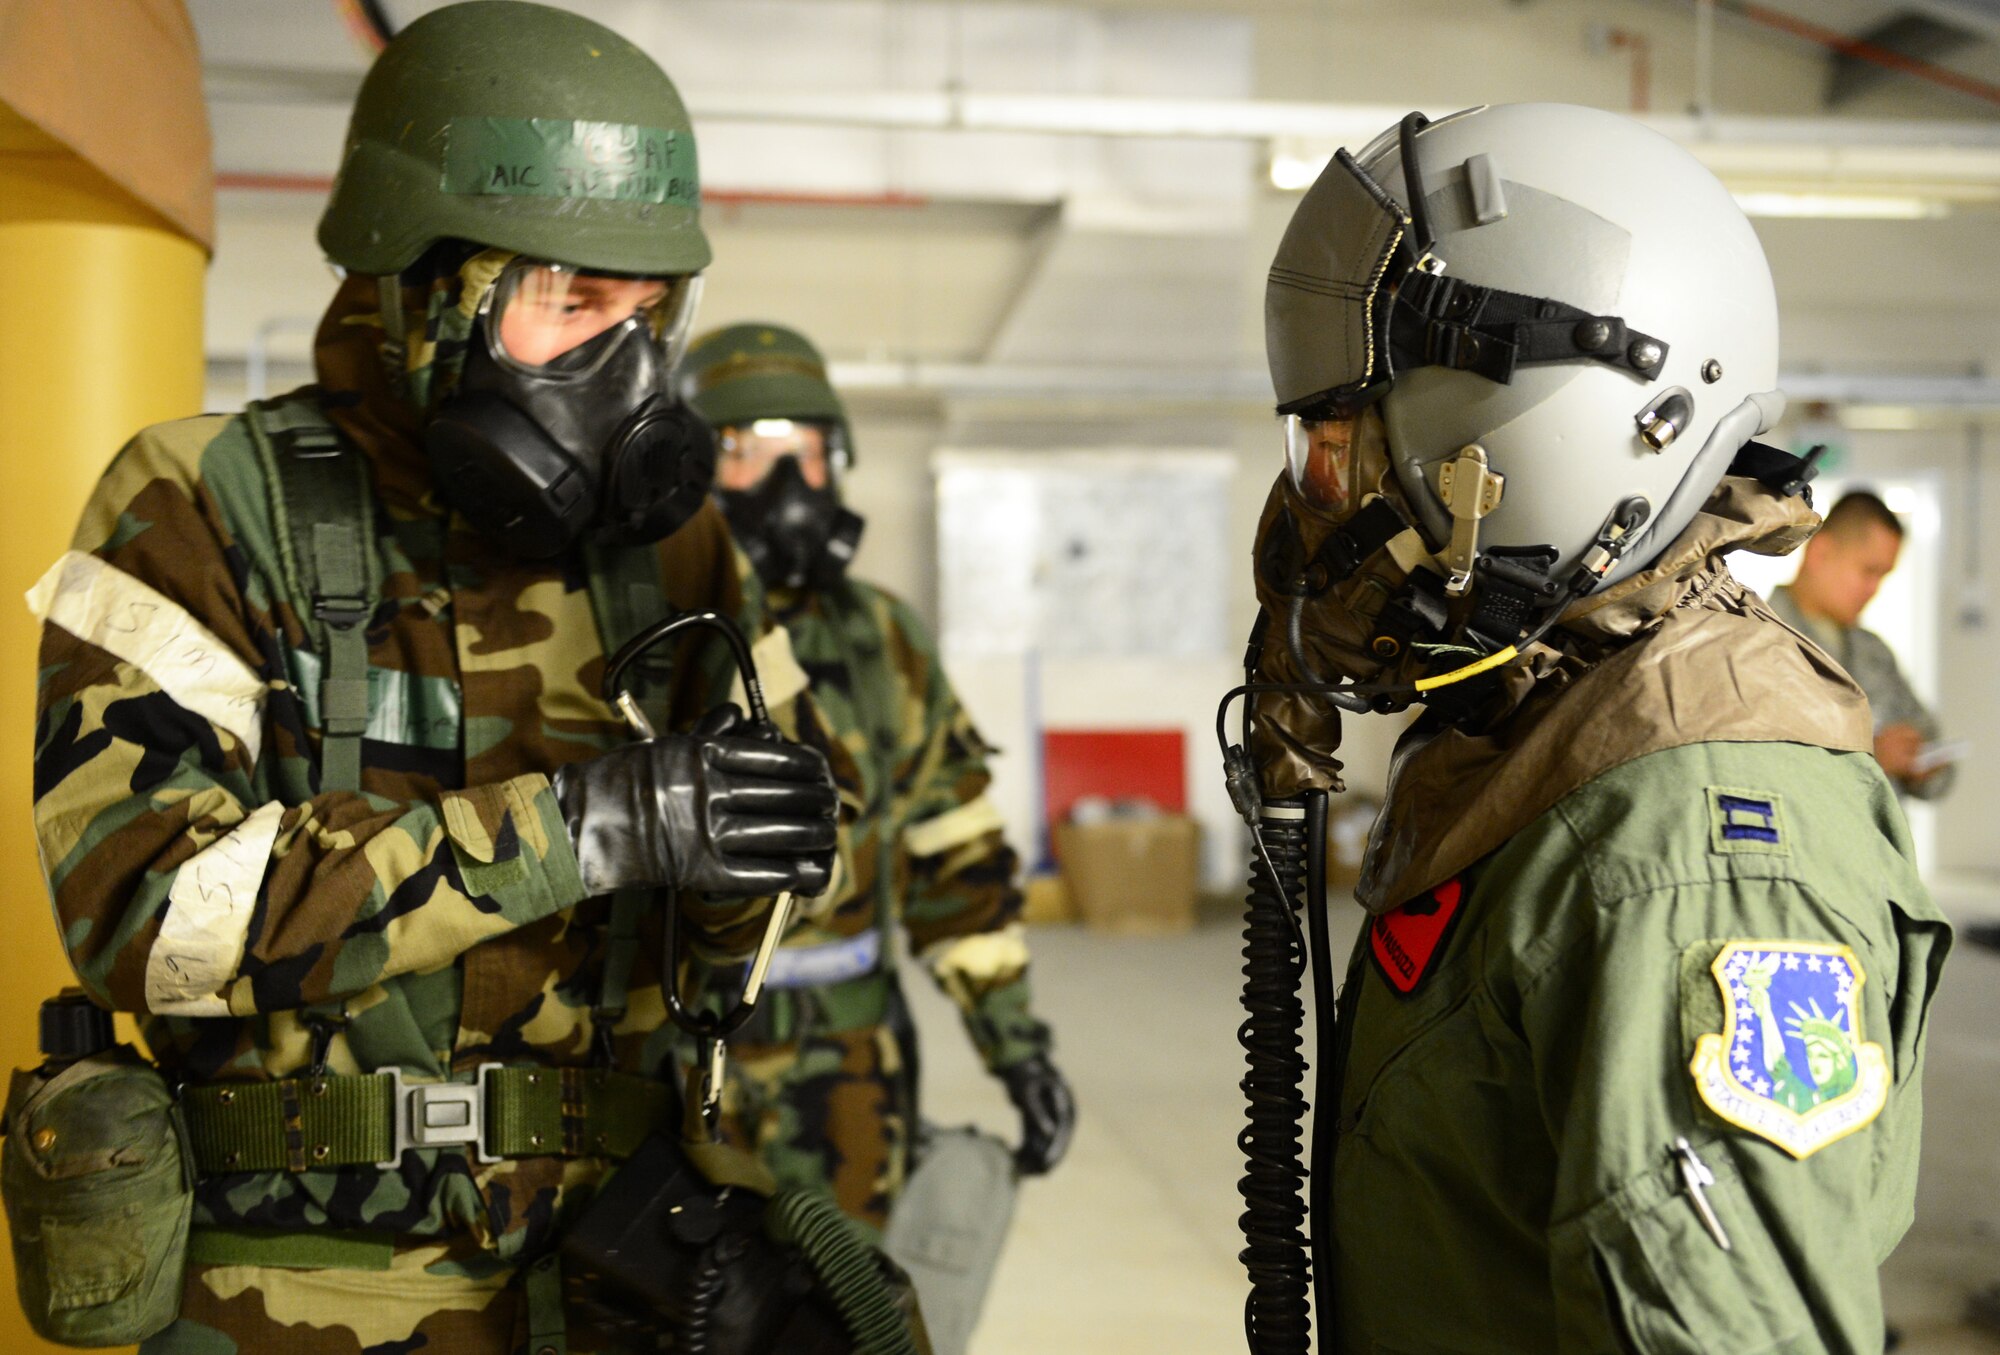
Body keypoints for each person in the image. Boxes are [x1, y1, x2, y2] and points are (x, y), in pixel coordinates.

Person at [25, 6, 851, 1350]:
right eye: (570, 303)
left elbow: (801, 894)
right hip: (295, 1285)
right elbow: (147, 911)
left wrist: (737, 878)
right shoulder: (196, 499)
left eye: (649, 315)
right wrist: (591, 827)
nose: (622, 371)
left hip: (621, 1279)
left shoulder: (678, 546)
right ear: (422, 288)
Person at [1249, 103, 1950, 1351]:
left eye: (1338, 445)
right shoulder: (1551, 723)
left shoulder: (1694, 856)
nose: (1310, 500)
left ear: (1513, 442)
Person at [680, 322, 1075, 1235]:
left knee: (853, 1310)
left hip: (851, 1072)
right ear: (695, 466)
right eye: (745, 453)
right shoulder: (656, 638)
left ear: (837, 463)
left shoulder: (883, 639)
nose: (784, 488)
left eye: (803, 452)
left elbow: (954, 848)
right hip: (684, 1064)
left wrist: (1014, 1045)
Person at [1768, 490, 1955, 800]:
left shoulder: (1874, 652)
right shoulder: (1758, 639)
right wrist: (1869, 755)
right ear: (1821, 553)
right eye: (1868, 571)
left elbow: (1934, 755)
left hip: (1875, 845)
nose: (1874, 590)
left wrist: (1921, 763)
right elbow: (1758, 765)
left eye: (1883, 576)